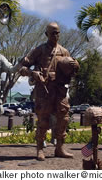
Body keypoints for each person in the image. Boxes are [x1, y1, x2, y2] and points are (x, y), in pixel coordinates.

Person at [19, 22, 79, 161]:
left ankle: (60, 148)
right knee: (43, 120)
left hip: (60, 90)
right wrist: (33, 73)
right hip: (44, 90)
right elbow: (23, 67)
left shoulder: (64, 51)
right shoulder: (39, 50)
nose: (56, 35)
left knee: (63, 118)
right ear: (46, 34)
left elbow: (70, 72)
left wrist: (74, 67)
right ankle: (40, 149)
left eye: (58, 32)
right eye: (53, 33)